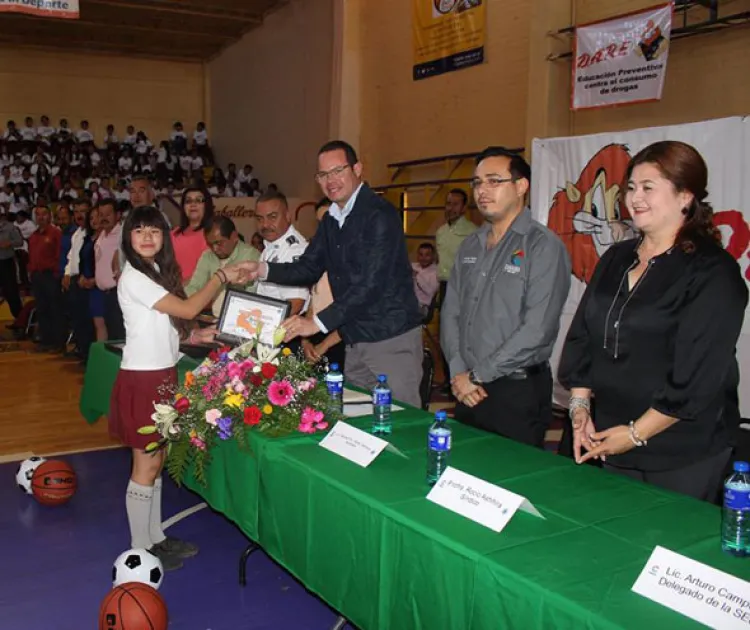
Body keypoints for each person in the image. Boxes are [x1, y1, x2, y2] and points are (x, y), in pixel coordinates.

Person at [558, 141, 747, 501]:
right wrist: (581, 408)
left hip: (682, 452)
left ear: (685, 197)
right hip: (609, 436)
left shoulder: (713, 272)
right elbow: (583, 335)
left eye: (648, 187)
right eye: (630, 188)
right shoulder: (616, 258)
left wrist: (634, 434)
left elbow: (695, 378)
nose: (634, 198)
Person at [110, 205, 251, 571]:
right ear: (128, 237)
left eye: (154, 231)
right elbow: (188, 308)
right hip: (143, 378)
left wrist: (191, 335)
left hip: (161, 374)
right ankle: (140, 548)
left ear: (163, 238)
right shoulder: (134, 277)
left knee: (155, 460)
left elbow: (167, 321)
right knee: (145, 462)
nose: (146, 237)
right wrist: (221, 276)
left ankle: (155, 538)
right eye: (138, 230)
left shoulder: (154, 272)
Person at [242, 140, 423, 407]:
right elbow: (308, 267)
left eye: (338, 170)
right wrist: (262, 269)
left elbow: (370, 285)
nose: (330, 180)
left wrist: (316, 323)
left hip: (389, 337)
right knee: (358, 418)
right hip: (354, 336)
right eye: (323, 175)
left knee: (401, 421)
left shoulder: (379, 214)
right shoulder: (331, 219)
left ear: (357, 169)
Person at [441, 146, 571, 447]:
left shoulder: (543, 247)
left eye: (493, 181)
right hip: (467, 389)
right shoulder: (470, 245)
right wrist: (459, 370)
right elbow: (451, 312)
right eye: (477, 182)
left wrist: (477, 375)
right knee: (464, 483)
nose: (482, 191)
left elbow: (537, 330)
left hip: (516, 390)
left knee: (511, 488)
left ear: (521, 186)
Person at [185, 216, 260, 317]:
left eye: (219, 243)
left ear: (234, 237)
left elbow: (253, 296)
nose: (215, 249)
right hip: (214, 317)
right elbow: (193, 287)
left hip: (242, 320)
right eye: (210, 244)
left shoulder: (251, 256)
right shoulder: (207, 256)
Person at [302, 198, 345, 369]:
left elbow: (353, 312)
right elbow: (314, 302)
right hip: (315, 336)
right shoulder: (319, 254)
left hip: (341, 340)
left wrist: (325, 345)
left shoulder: (353, 259)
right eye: (320, 223)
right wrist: (305, 340)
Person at [255, 191, 309, 316]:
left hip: (283, 329)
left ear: (288, 216)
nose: (265, 224)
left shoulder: (294, 250)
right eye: (259, 218)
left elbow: (295, 304)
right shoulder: (271, 245)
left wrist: (265, 328)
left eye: (272, 217)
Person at [28, 205, 65, 352]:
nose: (41, 217)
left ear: (50, 216)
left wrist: (57, 274)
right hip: (38, 276)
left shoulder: (55, 233)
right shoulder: (33, 236)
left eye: (44, 214)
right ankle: (46, 340)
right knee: (42, 309)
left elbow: (59, 255)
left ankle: (58, 342)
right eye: (38, 214)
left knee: (55, 309)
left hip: (51, 275)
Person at [436, 188, 476, 305]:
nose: (450, 208)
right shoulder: (441, 232)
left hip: (463, 287)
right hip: (444, 286)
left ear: (464, 208)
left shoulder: (473, 232)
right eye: (448, 204)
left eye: (455, 204)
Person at [95, 199, 126, 340]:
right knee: (109, 331)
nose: (103, 218)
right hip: (103, 293)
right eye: (101, 214)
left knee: (118, 332)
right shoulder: (101, 234)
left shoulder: (122, 234)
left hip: (117, 292)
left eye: (108, 214)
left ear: (118, 215)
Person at [171, 187, 212, 283]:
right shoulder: (172, 235)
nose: (193, 204)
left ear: (207, 205)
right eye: (188, 201)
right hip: (173, 292)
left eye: (198, 200)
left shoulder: (214, 234)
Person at [78, 206, 107, 343]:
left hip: (100, 285)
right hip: (88, 285)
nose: (94, 220)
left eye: (98, 216)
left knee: (101, 323)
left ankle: (103, 359)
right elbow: (83, 260)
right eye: (91, 218)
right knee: (94, 323)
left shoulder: (107, 239)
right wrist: (82, 276)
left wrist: (95, 280)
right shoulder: (88, 239)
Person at [0, 209, 22, 319]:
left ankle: (20, 320)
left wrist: (9, 243)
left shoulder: (10, 227)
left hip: (6, 263)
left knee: (11, 292)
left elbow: (20, 241)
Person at [412, 242, 439, 319]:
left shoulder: (436, 272)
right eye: (421, 254)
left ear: (433, 256)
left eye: (427, 255)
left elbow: (430, 291)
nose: (423, 258)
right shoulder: (413, 266)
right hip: (406, 303)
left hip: (422, 307)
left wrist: (417, 276)